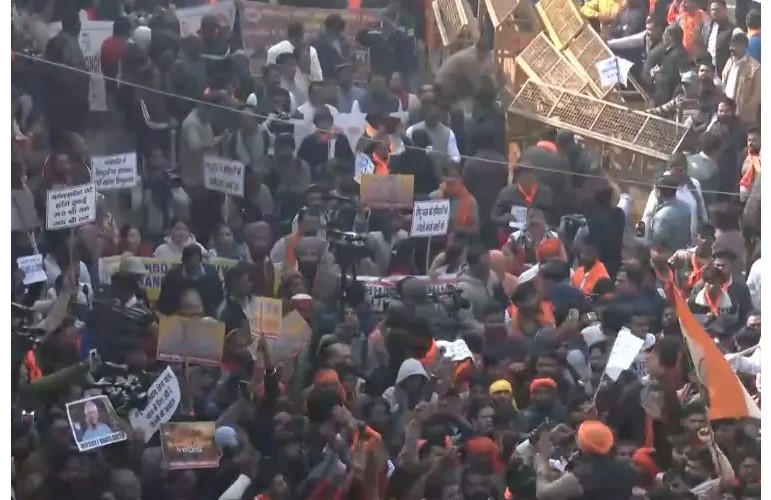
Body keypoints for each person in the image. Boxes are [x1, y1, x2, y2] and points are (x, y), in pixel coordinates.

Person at [157, 244, 223, 317]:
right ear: (183, 262)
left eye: (196, 264)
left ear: (200, 261)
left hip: (206, 316)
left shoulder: (211, 273)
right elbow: (164, 305)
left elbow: (219, 299)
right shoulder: (172, 276)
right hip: (179, 316)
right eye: (191, 266)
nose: (194, 268)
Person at [644, 174, 693, 252]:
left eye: (654, 189)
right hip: (683, 254)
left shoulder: (661, 217)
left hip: (666, 257)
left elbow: (657, 246)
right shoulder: (686, 207)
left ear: (659, 191)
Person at [721, 32, 761, 126]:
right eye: (730, 45)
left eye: (734, 46)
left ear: (744, 46)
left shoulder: (755, 68)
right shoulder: (729, 62)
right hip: (726, 115)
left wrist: (743, 113)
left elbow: (756, 97)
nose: (731, 48)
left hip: (742, 120)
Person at [651, 24, 691, 105]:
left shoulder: (673, 56)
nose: (662, 37)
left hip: (667, 102)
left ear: (669, 37)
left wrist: (656, 74)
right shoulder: (682, 53)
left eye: (664, 34)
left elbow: (666, 80)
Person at [702, 0, 738, 75]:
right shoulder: (706, 27)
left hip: (725, 70)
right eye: (712, 10)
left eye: (717, 9)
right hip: (709, 70)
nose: (714, 12)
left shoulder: (733, 30)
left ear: (725, 11)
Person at [310, 14, 349, 79]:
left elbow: (346, 58)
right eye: (337, 30)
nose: (339, 33)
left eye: (340, 30)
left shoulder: (343, 41)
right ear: (329, 28)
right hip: (324, 79)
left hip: (341, 78)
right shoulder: (316, 42)